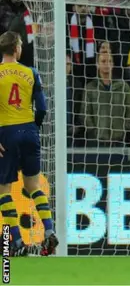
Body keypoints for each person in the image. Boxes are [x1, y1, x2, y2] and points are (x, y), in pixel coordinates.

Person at [0, 31, 57, 256]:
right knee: (33, 186)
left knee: (4, 190)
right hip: (30, 131)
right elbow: (42, 109)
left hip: (6, 133)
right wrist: (33, 127)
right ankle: (49, 231)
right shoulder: (31, 73)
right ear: (16, 49)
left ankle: (16, 240)